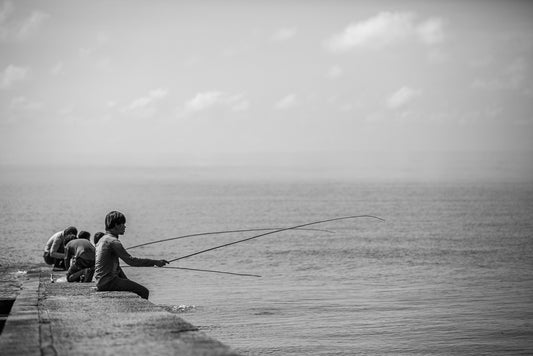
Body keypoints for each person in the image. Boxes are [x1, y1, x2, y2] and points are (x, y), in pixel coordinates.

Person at [94, 211, 168, 299]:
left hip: (100, 281)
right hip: (108, 282)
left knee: (131, 287)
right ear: (116, 225)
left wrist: (126, 281)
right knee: (143, 291)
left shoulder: (102, 239)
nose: (125, 226)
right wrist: (155, 262)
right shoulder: (113, 241)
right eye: (123, 224)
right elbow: (131, 261)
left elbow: (115, 266)